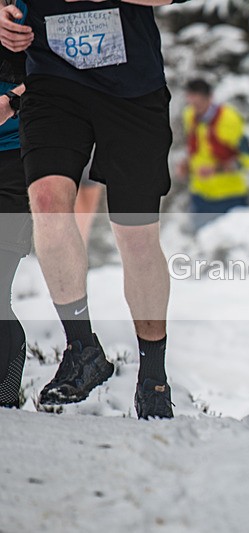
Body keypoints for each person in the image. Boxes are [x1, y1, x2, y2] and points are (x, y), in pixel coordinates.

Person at [0, 0, 189, 419]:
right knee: (48, 202)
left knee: (135, 236)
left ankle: (153, 374)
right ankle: (81, 348)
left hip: (132, 92)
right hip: (52, 83)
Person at [177, 78, 249, 231]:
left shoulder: (229, 119)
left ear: (210, 98)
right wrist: (186, 165)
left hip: (229, 197)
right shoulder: (189, 115)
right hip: (200, 195)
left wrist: (217, 169)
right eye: (191, 103)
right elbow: (196, 149)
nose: (195, 108)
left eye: (198, 104)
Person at [0, 8, 29, 408]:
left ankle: (6, 382)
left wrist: (11, 100)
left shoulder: (27, 9)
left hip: (16, 159)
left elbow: (58, 71)